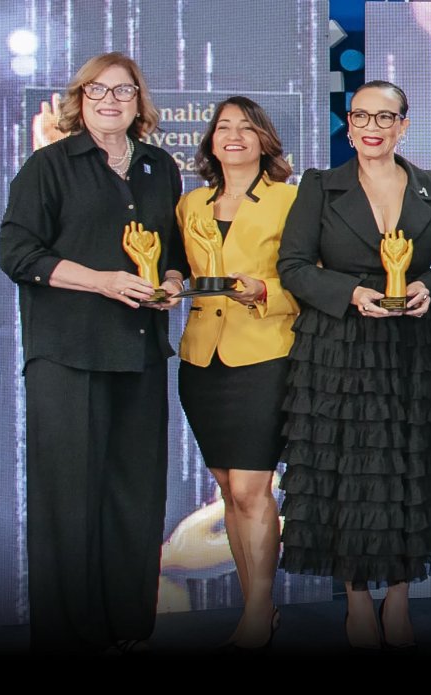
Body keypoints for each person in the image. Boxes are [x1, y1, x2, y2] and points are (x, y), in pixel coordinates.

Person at [276, 80, 431, 651]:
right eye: (361, 116)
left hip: (419, 349)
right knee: (352, 476)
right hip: (341, 348)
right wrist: (349, 293)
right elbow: (293, 265)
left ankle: (398, 600)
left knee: (412, 471)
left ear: (403, 126)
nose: (372, 127)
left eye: (385, 117)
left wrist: (427, 287)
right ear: (349, 125)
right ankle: (358, 601)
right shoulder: (319, 185)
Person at [0, 51, 184, 654]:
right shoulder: (49, 165)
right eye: (97, 90)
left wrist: (172, 282)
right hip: (67, 353)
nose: (110, 101)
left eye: (123, 91)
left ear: (139, 101)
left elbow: (174, 252)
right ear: (80, 100)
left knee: (136, 495)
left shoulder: (160, 167)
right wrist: (101, 281)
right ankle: (68, 637)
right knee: (68, 500)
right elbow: (18, 254)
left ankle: (128, 627)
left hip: (140, 353)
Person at [175, 96, 301, 652]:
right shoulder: (191, 204)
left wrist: (265, 291)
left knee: (252, 486)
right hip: (202, 360)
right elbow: (176, 266)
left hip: (265, 355)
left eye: (246, 127)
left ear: (264, 140)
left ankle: (257, 609)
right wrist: (170, 282)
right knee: (228, 488)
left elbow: (311, 276)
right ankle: (258, 610)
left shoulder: (290, 200)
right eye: (223, 126)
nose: (233, 135)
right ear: (210, 141)